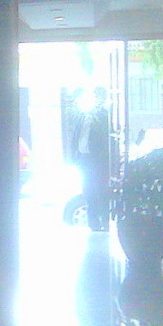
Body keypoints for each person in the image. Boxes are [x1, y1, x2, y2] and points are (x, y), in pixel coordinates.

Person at [71, 86, 113, 231]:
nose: (96, 99)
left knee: (101, 192)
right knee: (88, 191)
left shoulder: (104, 116)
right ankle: (93, 223)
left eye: (99, 96)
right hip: (84, 160)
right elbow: (76, 137)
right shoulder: (83, 116)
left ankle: (105, 222)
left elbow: (105, 139)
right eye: (95, 96)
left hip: (98, 160)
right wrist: (75, 156)